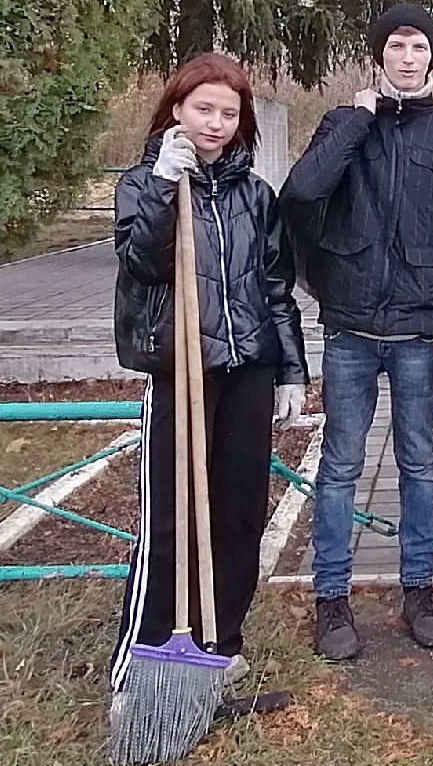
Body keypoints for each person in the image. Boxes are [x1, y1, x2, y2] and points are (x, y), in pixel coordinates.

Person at [282, 4, 433, 661]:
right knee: (340, 466)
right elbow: (301, 193)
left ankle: (419, 589)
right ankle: (332, 599)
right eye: (396, 45)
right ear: (379, 57)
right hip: (349, 328)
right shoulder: (346, 124)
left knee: (420, 466)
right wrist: (356, 119)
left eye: (419, 45)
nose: (407, 56)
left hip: (420, 334)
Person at [109, 53, 307, 688]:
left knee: (239, 512)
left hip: (246, 366)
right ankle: (140, 658)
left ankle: (218, 646)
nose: (217, 123)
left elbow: (276, 288)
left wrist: (291, 371)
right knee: (171, 514)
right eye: (204, 110)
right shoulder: (144, 184)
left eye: (229, 112)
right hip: (180, 368)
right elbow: (142, 262)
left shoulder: (254, 195)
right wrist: (167, 185)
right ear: (176, 110)